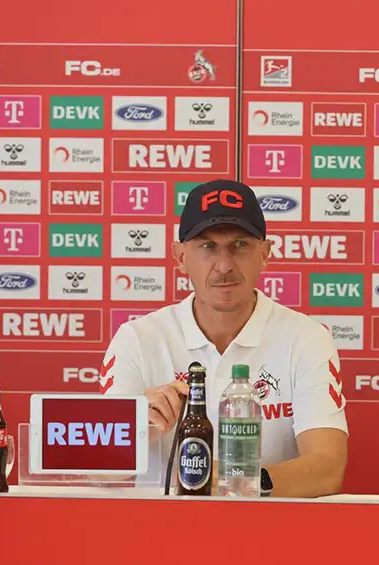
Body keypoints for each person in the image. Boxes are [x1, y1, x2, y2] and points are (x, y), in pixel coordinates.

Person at [101, 179, 348, 498]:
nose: (224, 266)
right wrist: (133, 425)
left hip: (272, 536)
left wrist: (236, 481)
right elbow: (98, 471)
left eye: (240, 245)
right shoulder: (136, 339)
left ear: (265, 253)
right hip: (155, 534)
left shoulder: (306, 338)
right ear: (180, 256)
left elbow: (327, 469)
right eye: (208, 246)